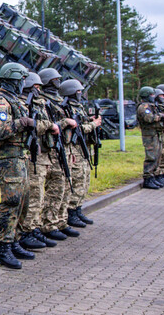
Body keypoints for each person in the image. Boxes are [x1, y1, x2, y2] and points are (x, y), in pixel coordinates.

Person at [0, 62, 38, 269]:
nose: (23, 84)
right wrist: (22, 122)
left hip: (19, 156)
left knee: (23, 200)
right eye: (21, 80)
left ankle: (15, 241)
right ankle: (4, 248)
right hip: (8, 158)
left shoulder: (14, 100)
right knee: (11, 201)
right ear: (13, 80)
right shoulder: (0, 101)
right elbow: (1, 131)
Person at [16, 72, 59, 251]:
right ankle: (27, 230)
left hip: (41, 152)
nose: (39, 90)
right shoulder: (23, 104)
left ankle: (33, 228)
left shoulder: (36, 103)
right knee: (34, 194)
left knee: (38, 193)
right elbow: (31, 124)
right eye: (37, 87)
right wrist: (49, 125)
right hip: (32, 154)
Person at [37, 68, 80, 239]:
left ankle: (61, 221)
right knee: (55, 188)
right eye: (55, 79)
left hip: (64, 147)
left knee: (65, 186)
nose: (58, 82)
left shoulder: (58, 100)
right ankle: (48, 224)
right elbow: (48, 124)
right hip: (52, 149)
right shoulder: (44, 102)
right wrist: (63, 123)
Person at [59, 78, 101, 224]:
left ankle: (78, 209)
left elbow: (81, 122)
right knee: (76, 181)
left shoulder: (78, 107)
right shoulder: (65, 108)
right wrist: (93, 125)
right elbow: (77, 129)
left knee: (84, 180)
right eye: (78, 91)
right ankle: (71, 212)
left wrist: (89, 119)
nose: (80, 94)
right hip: (74, 149)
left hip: (83, 149)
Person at [137, 87, 164, 190]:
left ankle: (153, 176)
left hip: (155, 133)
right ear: (146, 95)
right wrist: (160, 116)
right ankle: (148, 177)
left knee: (158, 155)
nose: (153, 97)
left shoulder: (151, 106)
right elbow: (148, 118)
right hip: (149, 135)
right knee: (151, 156)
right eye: (151, 95)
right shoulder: (144, 107)